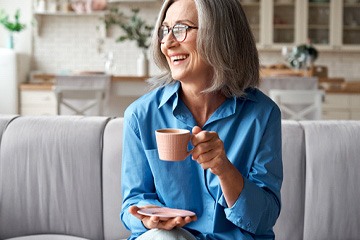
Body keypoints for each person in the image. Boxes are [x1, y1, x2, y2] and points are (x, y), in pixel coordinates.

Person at [120, 0, 283, 239]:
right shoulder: (140, 116)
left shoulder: (263, 115)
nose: (167, 43)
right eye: (165, 30)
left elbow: (264, 218)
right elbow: (131, 204)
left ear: (220, 34)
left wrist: (224, 170)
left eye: (181, 29)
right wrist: (148, 220)